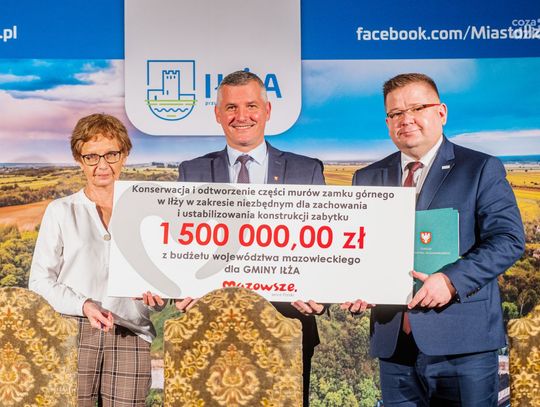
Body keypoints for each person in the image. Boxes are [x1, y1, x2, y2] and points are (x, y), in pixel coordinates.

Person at [342, 73, 525, 406]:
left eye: (417, 108)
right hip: (394, 346)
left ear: (441, 112)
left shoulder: (480, 168)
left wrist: (451, 281)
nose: (406, 119)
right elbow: (359, 246)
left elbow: (508, 239)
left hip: (464, 346)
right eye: (396, 113)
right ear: (387, 123)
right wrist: (355, 283)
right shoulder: (367, 177)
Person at [178, 70, 325, 406]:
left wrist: (321, 293)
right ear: (218, 114)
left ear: (267, 110)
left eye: (251, 106)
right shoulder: (192, 171)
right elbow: (178, 245)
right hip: (212, 328)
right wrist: (176, 286)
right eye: (231, 107)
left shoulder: (307, 170)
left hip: (287, 324)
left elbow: (322, 244)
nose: (241, 116)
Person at [29, 113, 163, 407]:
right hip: (72, 333)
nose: (102, 165)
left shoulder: (149, 213)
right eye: (91, 156)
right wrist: (84, 305)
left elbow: (160, 283)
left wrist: (158, 298)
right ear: (79, 160)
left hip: (131, 334)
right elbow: (39, 282)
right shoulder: (61, 211)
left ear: (124, 155)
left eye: (111, 154)